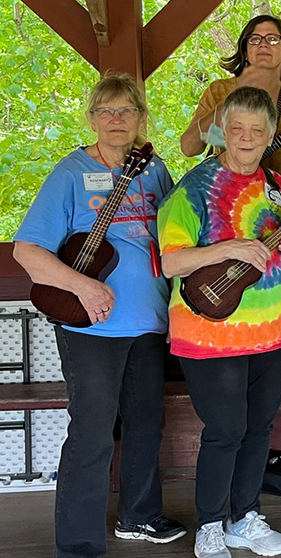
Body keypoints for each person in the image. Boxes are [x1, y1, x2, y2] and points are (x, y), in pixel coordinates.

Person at [13, 74, 186, 557]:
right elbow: (28, 251)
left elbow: (178, 238)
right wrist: (83, 285)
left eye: (126, 111)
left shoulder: (155, 172)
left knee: (146, 423)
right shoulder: (69, 173)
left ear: (140, 119)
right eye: (106, 111)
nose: (116, 120)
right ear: (91, 118)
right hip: (91, 328)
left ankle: (140, 516)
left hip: (150, 322)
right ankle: (79, 544)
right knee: (91, 432)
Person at [159, 87, 281, 558]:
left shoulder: (278, 187)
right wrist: (229, 248)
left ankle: (245, 517)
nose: (245, 138)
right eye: (236, 128)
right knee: (225, 430)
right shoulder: (194, 187)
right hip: (209, 330)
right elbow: (171, 263)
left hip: (273, 329)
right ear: (223, 129)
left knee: (260, 428)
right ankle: (210, 525)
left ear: (268, 137)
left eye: (256, 131)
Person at [180, 14, 281, 390]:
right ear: (244, 49)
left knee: (272, 280)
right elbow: (189, 147)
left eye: (273, 39)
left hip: (278, 212)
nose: (264, 45)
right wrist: (236, 93)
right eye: (255, 39)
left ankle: (276, 351)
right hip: (222, 207)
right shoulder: (219, 90)